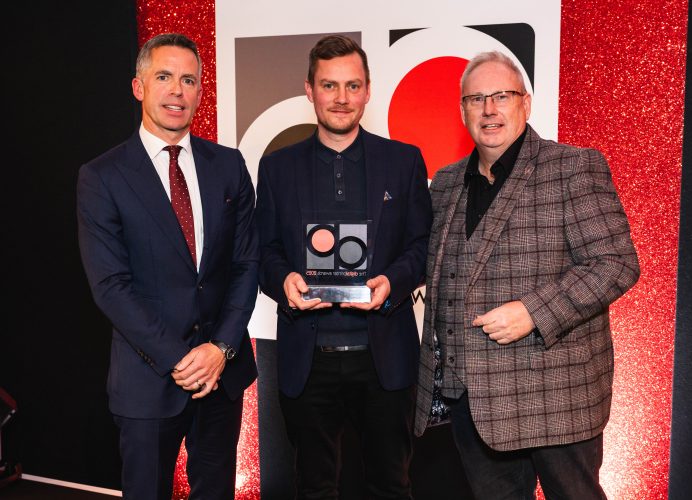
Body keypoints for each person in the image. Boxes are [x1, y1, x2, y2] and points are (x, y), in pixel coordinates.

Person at [414, 51, 640, 499]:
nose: (489, 109)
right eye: (476, 99)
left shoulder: (573, 167)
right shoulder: (445, 182)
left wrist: (534, 312)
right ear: (462, 110)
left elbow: (616, 262)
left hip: (555, 400)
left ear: (526, 103)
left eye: (502, 96)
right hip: (472, 402)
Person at [77, 33, 259, 500]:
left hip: (221, 376)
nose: (177, 90)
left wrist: (220, 349)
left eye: (188, 80)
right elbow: (110, 285)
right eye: (164, 77)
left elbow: (246, 264)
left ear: (200, 91)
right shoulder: (102, 177)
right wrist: (180, 359)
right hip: (148, 380)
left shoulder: (229, 166)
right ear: (139, 86)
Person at [255, 35, 432, 499]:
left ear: (368, 90)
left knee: (391, 486)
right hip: (307, 357)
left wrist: (393, 281)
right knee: (313, 488)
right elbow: (264, 250)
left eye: (352, 86)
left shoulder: (404, 161)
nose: (341, 98)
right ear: (309, 90)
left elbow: (422, 245)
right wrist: (283, 280)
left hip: (384, 356)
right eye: (329, 85)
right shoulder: (276, 168)